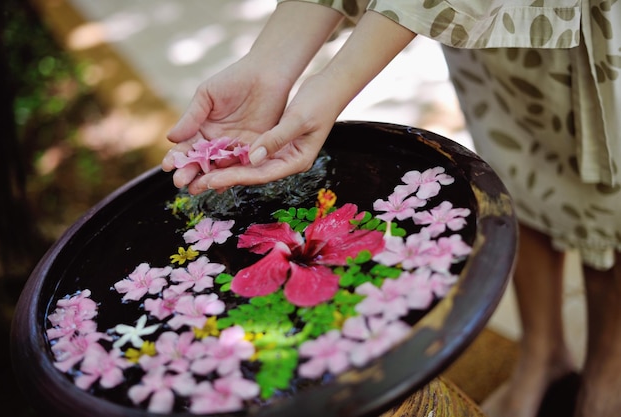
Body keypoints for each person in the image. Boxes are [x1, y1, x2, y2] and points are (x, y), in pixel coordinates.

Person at [161, 1, 621, 416]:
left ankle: (607, 371)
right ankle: (542, 354)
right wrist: (267, 67)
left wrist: (330, 87)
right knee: (518, 170)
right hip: (487, 33)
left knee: (611, 197)